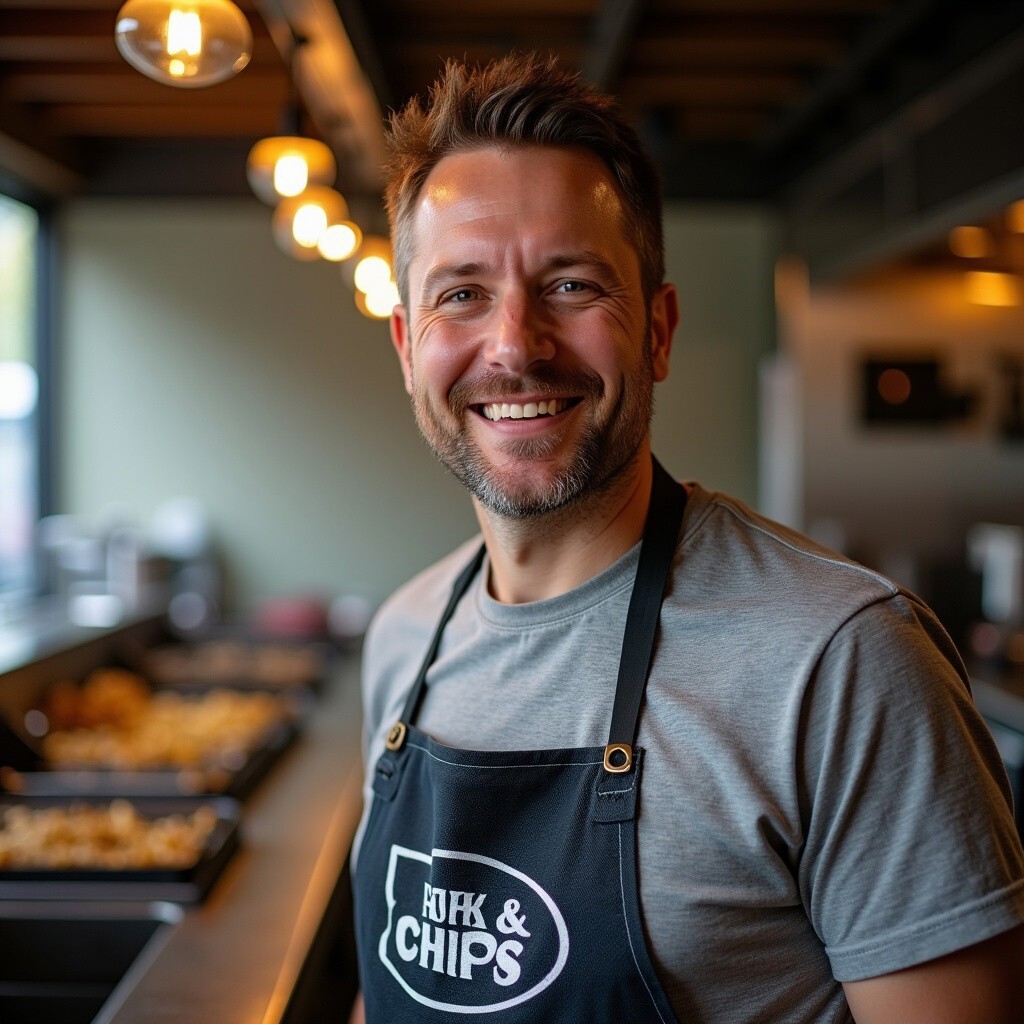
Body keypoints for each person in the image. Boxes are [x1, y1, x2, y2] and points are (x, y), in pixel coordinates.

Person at [349, 54, 1024, 1023]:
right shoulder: (403, 638)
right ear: (410, 348)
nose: (513, 344)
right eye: (460, 293)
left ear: (657, 332)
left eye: (571, 285)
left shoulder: (840, 661)